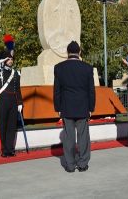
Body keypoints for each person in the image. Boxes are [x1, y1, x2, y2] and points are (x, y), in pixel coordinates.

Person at [54, 41, 95, 173]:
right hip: (83, 107)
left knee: (68, 137)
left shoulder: (59, 67)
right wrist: (91, 108)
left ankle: (70, 165)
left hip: (66, 107)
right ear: (79, 52)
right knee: (83, 137)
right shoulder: (87, 68)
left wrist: (58, 108)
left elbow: (57, 90)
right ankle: (83, 164)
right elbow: (91, 91)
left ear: (67, 52)